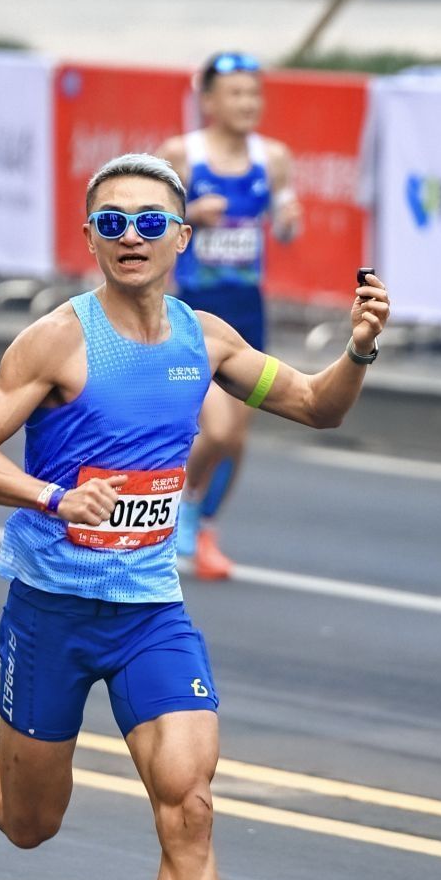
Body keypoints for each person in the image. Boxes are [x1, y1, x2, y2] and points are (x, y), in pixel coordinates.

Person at [0, 153, 389, 880]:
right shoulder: (56, 340)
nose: (131, 236)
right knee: (31, 824)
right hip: (50, 611)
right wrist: (52, 496)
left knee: (189, 803)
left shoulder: (206, 340)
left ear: (181, 238)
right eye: (112, 222)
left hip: (149, 612)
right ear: (89, 238)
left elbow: (316, 406)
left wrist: (360, 351)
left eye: (150, 222)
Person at [158, 52, 302, 579]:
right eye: (236, 93)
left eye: (254, 93)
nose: (247, 103)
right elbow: (147, 221)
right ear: (209, 100)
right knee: (216, 431)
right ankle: (179, 507)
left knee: (236, 439)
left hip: (248, 313)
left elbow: (286, 225)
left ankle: (205, 530)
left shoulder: (274, 157)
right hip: (197, 312)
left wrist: (288, 221)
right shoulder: (182, 154)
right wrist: (191, 215)